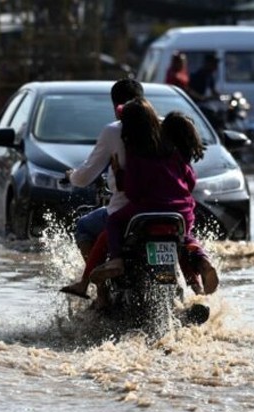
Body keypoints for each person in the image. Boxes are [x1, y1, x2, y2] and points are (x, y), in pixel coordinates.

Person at [91, 105, 218, 295]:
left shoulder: (136, 152)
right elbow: (190, 182)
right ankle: (200, 274)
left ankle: (116, 260)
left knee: (114, 222)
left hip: (146, 209)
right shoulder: (175, 153)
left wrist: (119, 175)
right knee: (185, 239)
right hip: (180, 212)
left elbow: (133, 192)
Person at [59, 78, 145, 310]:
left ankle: (102, 295)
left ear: (116, 106)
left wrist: (71, 176)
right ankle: (195, 287)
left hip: (128, 209)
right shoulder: (164, 126)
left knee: (85, 227)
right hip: (169, 208)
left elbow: (85, 177)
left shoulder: (115, 130)